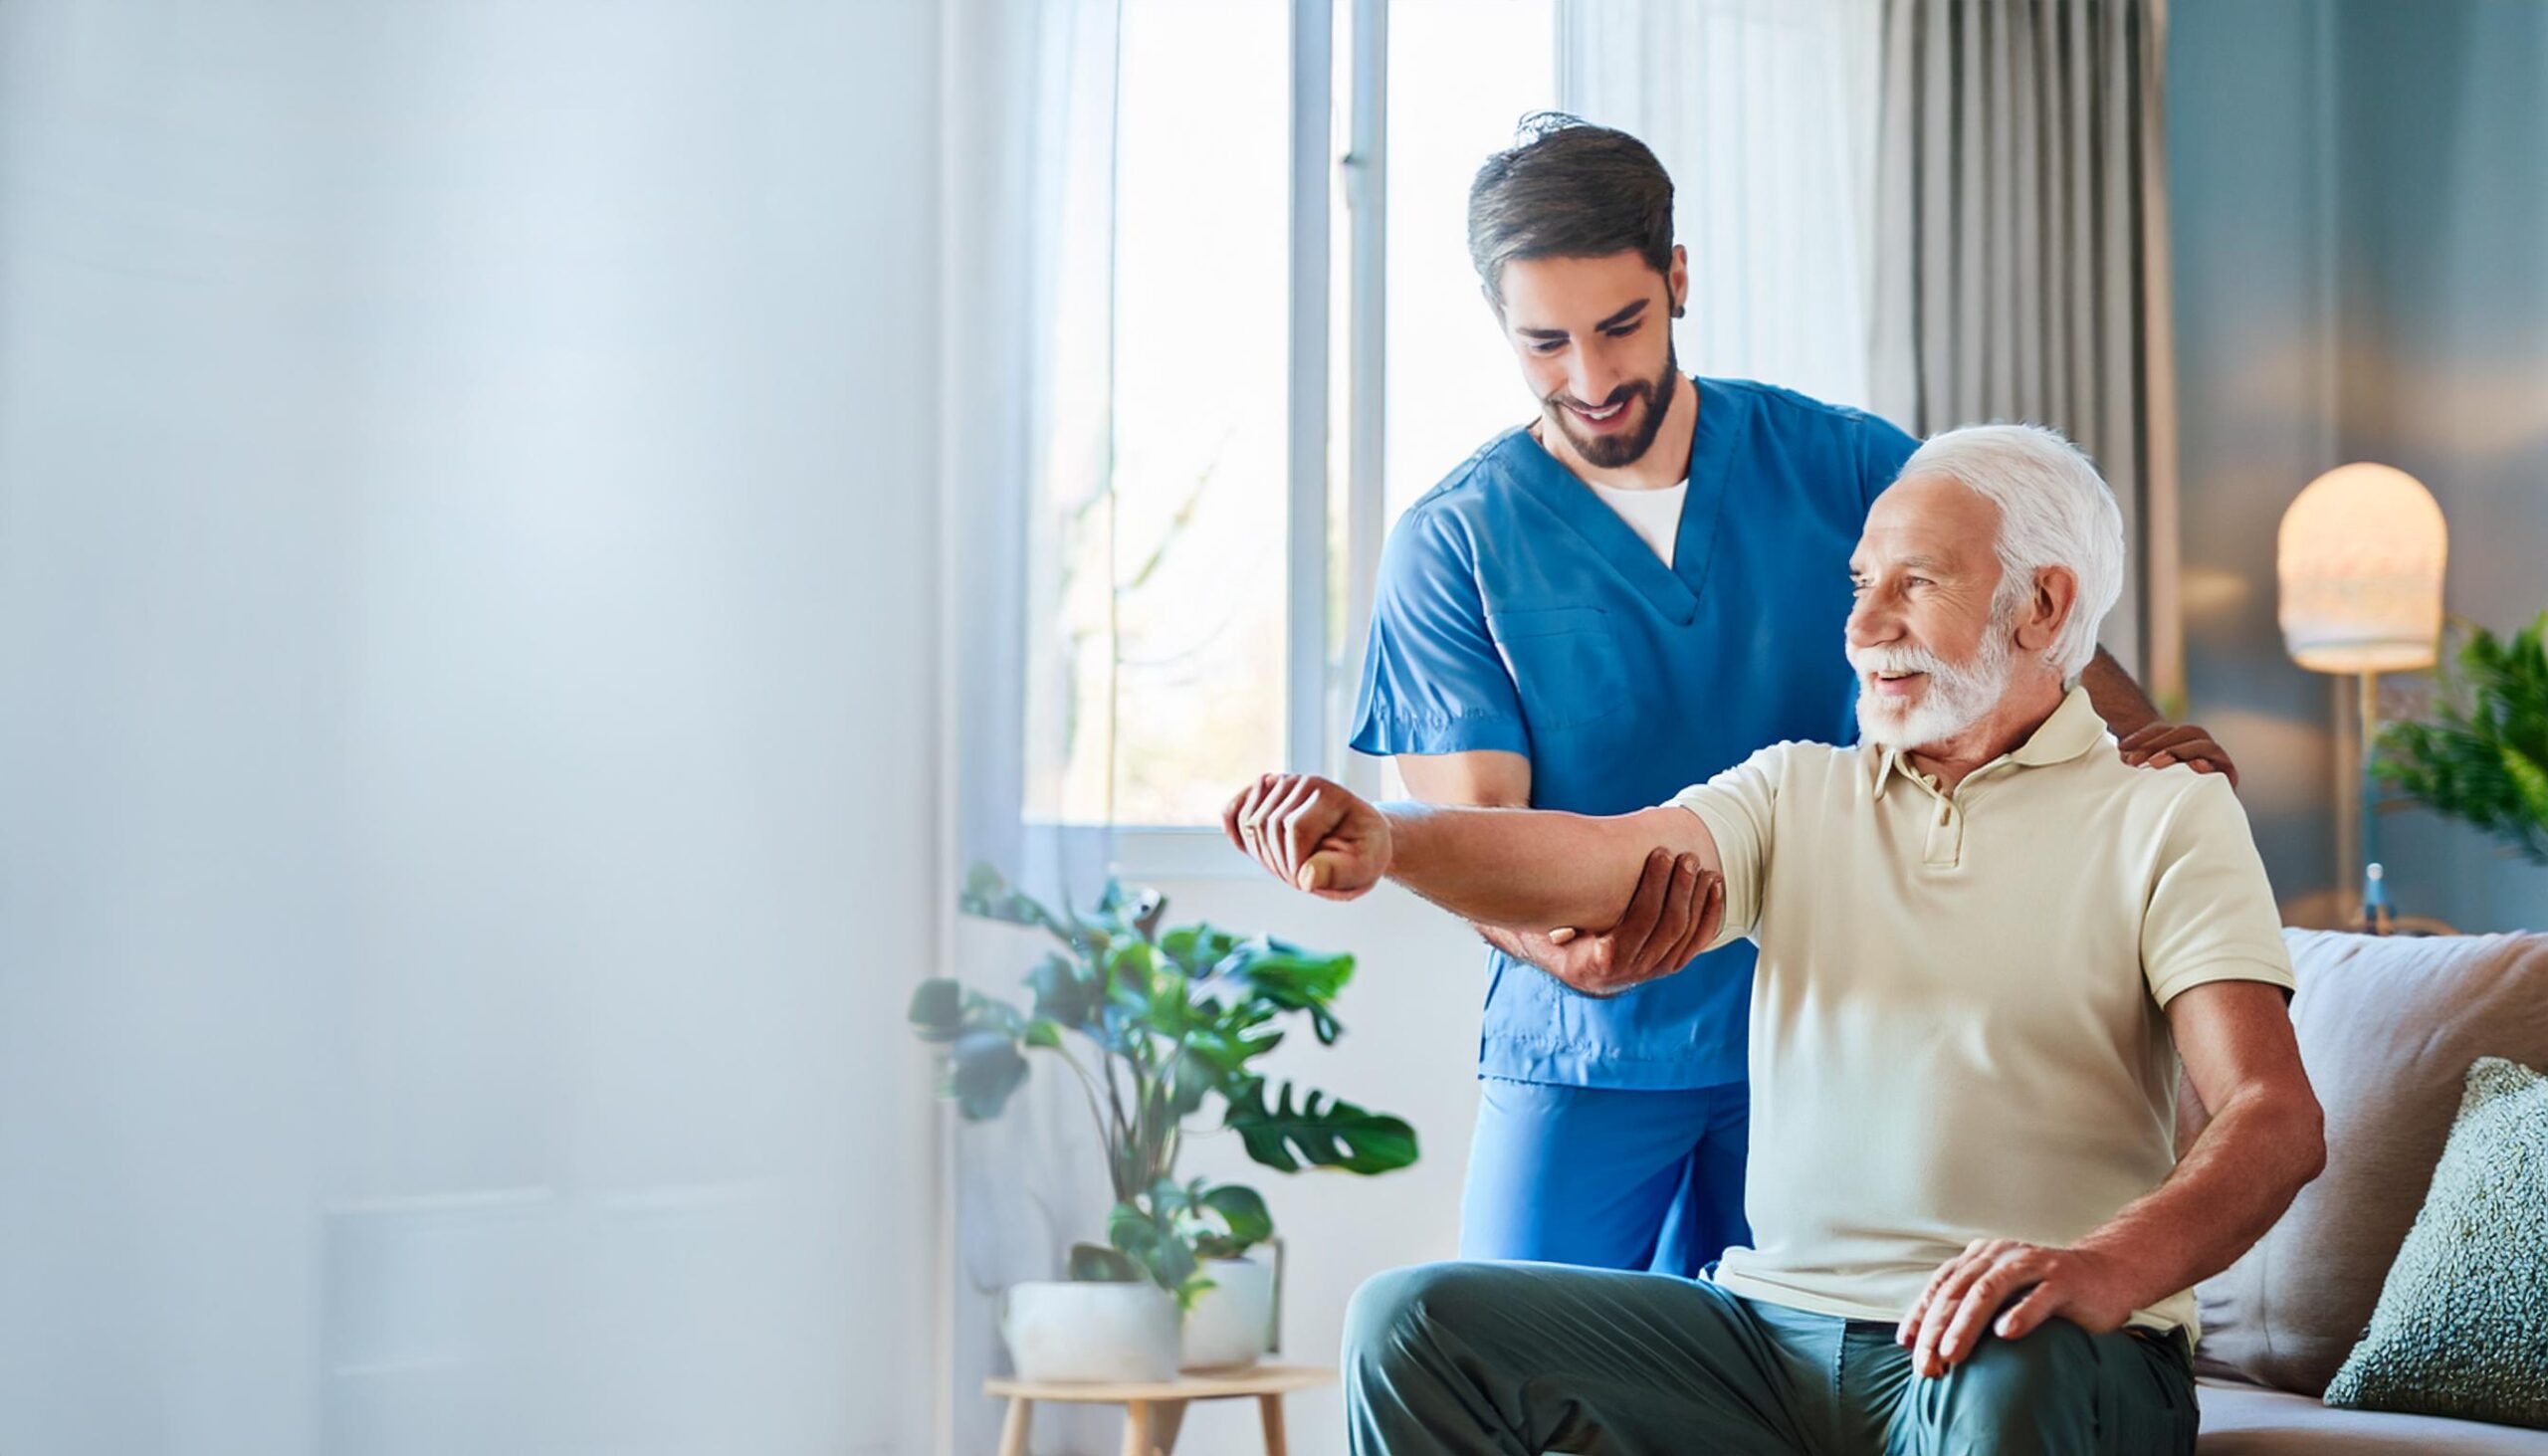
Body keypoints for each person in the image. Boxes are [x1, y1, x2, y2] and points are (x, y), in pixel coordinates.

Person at [1239, 423, 2322, 1455]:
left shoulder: (2164, 811)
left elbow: (2271, 1113)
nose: (1862, 626)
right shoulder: (1796, 792)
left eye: (1915, 584)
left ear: (2041, 604)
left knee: (2010, 1355)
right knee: (1415, 1318)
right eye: (1860, 585)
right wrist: (1389, 837)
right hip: (1775, 1340)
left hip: (2038, 1348)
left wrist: (2104, 1266)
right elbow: (1597, 860)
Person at [1351, 113, 2236, 1280]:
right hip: (1587, 1050)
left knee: (1787, 1391)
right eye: (1545, 344)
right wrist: (1558, 951)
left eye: (1620, 326)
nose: (1593, 377)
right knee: (1507, 1374)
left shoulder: (1845, 462)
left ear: (1676, 279)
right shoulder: (1450, 543)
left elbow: (2017, 596)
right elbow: (1480, 826)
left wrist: (2135, 742)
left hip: (1832, 1037)